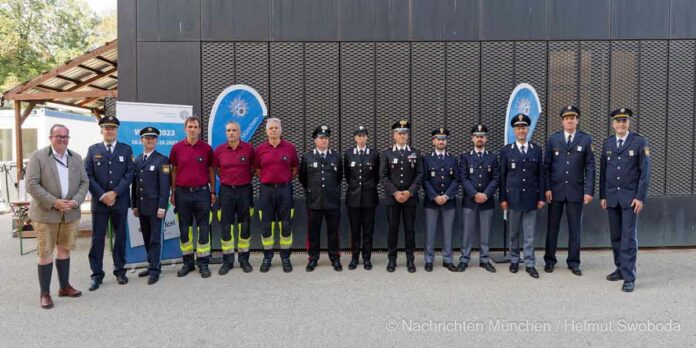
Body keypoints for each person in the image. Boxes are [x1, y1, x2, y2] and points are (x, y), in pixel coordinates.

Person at [26, 124, 89, 308]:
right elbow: (32, 184)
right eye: (58, 136)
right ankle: (44, 293)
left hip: (70, 213)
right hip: (46, 214)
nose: (62, 139)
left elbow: (85, 183)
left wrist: (75, 201)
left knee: (64, 249)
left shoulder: (76, 158)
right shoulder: (38, 157)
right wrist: (55, 202)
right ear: (50, 138)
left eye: (65, 137)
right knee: (45, 252)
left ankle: (64, 287)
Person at [600, 108, 651, 293]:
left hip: (630, 199)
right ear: (613, 124)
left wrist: (640, 197)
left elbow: (645, 174)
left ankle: (629, 277)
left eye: (624, 121)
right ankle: (620, 268)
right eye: (618, 121)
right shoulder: (608, 143)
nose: (621, 124)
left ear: (628, 123)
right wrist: (603, 195)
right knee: (616, 236)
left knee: (628, 238)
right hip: (612, 197)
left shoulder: (638, 142)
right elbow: (604, 171)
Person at [543, 105, 595, 276]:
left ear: (577, 120)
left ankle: (573, 262)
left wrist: (588, 191)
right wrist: (547, 187)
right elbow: (547, 166)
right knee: (552, 228)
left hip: (576, 191)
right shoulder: (553, 140)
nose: (570, 120)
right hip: (556, 191)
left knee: (575, 228)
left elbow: (590, 167)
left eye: (573, 118)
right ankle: (550, 260)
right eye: (567, 118)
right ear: (562, 121)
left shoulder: (586, 140)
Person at [85, 116, 135, 291]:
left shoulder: (126, 150)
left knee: (120, 237)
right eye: (106, 128)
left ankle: (120, 271)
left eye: (113, 128)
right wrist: (102, 195)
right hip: (100, 203)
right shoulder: (93, 150)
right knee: (97, 239)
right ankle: (97, 275)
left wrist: (114, 193)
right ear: (101, 130)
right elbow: (88, 175)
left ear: (117, 131)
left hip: (119, 201)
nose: (109, 131)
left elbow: (129, 174)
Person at [499, 114, 545, 279]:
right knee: (513, 232)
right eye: (518, 128)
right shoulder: (506, 151)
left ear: (527, 130)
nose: (521, 130)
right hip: (513, 198)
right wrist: (502, 198)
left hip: (531, 197)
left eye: (524, 127)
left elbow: (541, 175)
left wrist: (541, 198)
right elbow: (503, 177)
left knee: (529, 233)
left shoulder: (536, 150)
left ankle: (530, 263)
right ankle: (514, 260)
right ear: (514, 130)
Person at [169, 116, 216, 278]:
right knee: (184, 229)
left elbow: (211, 171)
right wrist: (173, 192)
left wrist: (212, 192)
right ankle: (187, 263)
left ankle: (203, 263)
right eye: (190, 126)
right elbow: (174, 171)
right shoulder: (176, 148)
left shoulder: (207, 149)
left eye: (196, 127)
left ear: (200, 130)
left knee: (203, 229)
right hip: (182, 193)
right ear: (185, 129)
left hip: (202, 192)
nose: (193, 129)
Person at [254, 118, 299, 273]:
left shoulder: (290, 148)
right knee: (266, 225)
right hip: (266, 190)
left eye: (276, 128)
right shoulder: (260, 149)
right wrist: (270, 180)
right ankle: (267, 257)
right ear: (267, 131)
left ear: (281, 130)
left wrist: (282, 180)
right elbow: (258, 170)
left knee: (286, 224)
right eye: (271, 128)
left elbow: (294, 169)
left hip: (285, 190)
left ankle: (285, 257)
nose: (273, 130)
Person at [379, 120, 423, 273]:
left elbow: (419, 175)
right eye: (399, 133)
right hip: (393, 199)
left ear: (408, 135)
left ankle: (410, 260)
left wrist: (409, 192)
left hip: (410, 199)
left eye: (405, 133)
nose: (402, 136)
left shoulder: (415, 153)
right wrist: (395, 192)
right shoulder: (386, 153)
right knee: (393, 230)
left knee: (410, 230)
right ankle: (392, 259)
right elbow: (383, 176)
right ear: (394, 135)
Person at [299, 125, 343, 272]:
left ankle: (335, 258)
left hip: (332, 200)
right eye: (321, 138)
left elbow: (339, 177)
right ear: (315, 140)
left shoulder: (336, 156)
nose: (324, 141)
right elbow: (303, 178)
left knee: (333, 231)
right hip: (314, 200)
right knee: (313, 231)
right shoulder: (307, 157)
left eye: (326, 138)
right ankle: (313, 258)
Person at [213, 121, 255, 274]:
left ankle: (244, 260)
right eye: (228, 130)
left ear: (240, 132)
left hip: (244, 190)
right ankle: (227, 261)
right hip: (226, 191)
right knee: (226, 227)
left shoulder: (249, 149)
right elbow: (216, 170)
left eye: (234, 130)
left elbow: (253, 169)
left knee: (244, 225)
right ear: (225, 133)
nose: (231, 133)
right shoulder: (219, 151)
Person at [131, 127, 170, 285]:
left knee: (155, 239)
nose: (150, 140)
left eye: (153, 138)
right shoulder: (138, 160)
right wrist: (134, 205)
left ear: (157, 140)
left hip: (155, 207)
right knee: (146, 237)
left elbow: (165, 186)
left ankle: (155, 270)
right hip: (142, 206)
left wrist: (162, 206)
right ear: (141, 140)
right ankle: (151, 264)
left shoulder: (162, 160)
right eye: (147, 138)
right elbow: (135, 185)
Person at [458, 124, 499, 273]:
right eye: (477, 136)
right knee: (467, 232)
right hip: (470, 200)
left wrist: (485, 194)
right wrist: (475, 194)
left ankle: (484, 259)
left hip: (486, 201)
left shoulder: (493, 157)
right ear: (472, 138)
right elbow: (463, 178)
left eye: (482, 136)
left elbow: (495, 178)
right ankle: (464, 259)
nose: (479, 138)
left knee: (485, 232)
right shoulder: (465, 157)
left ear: (486, 138)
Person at [421, 128, 459, 272]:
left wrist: (446, 196)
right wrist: (435, 196)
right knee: (430, 232)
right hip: (431, 201)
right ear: (433, 141)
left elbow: (456, 180)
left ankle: (447, 260)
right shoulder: (426, 159)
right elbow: (424, 180)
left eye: (443, 139)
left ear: (446, 141)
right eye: (438, 139)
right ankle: (429, 260)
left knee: (448, 232)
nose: (441, 141)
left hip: (448, 202)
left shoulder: (453, 159)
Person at [343, 126, 380, 270]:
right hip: (353, 197)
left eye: (364, 135)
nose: (361, 138)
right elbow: (347, 175)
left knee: (368, 229)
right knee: (355, 229)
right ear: (355, 138)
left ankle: (366, 258)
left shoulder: (374, 154)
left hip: (369, 197)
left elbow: (376, 176)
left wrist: (368, 187)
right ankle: (354, 258)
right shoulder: (348, 153)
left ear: (367, 138)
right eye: (359, 135)